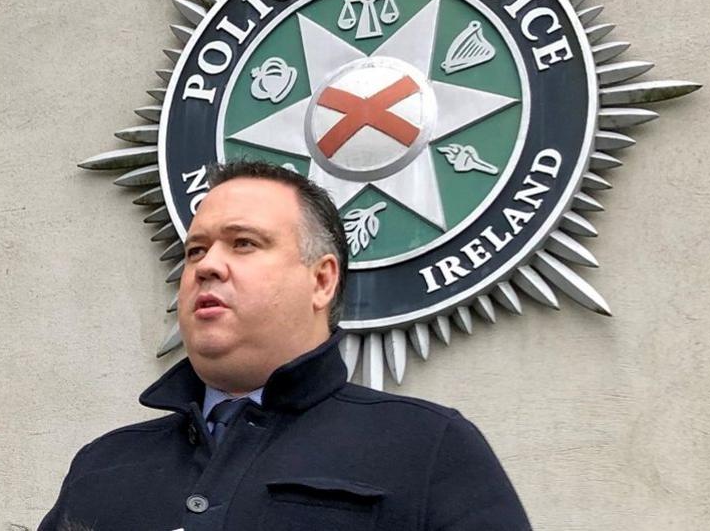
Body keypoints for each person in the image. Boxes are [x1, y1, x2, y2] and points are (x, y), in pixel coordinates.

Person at [40, 160, 530, 530]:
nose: (206, 266)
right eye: (196, 250)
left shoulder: (428, 448)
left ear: (321, 281)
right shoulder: (102, 464)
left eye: (244, 243)